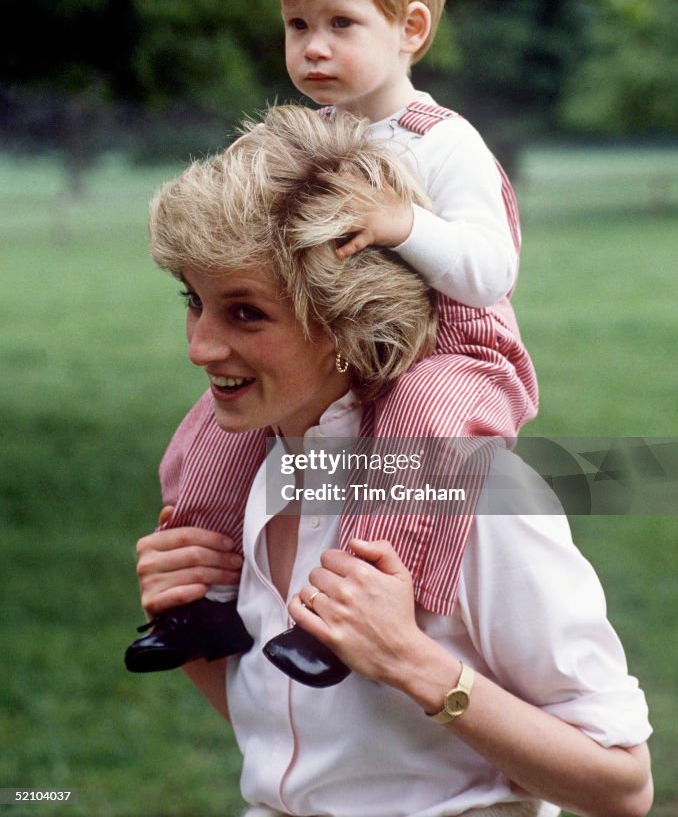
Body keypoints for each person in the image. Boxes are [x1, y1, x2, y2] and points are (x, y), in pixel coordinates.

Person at [133, 108, 653, 817]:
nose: (200, 346)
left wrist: (413, 662)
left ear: (347, 319)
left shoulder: (468, 488)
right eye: (194, 302)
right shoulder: (250, 467)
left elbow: (622, 785)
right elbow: (307, 756)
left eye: (245, 314)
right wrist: (191, 626)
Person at [125, 0, 538, 681]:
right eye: (298, 25)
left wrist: (402, 225)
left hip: (454, 353)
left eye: (340, 24)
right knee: (211, 433)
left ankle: (352, 608)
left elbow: (491, 272)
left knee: (421, 425)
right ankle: (197, 599)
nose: (313, 47)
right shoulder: (311, 132)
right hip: (339, 341)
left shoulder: (441, 140)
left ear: (410, 28)